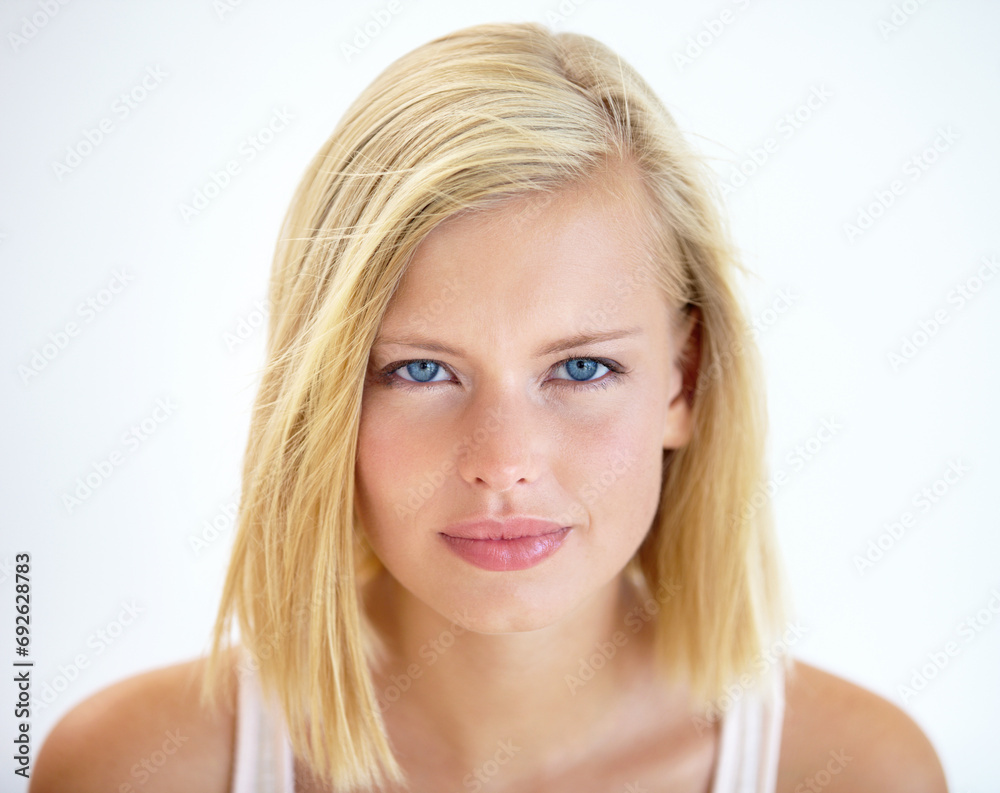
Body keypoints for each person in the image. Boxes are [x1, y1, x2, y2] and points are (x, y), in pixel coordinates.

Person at [30, 21, 947, 793]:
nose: (503, 460)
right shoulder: (129, 766)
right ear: (322, 399)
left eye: (582, 368)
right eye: (422, 371)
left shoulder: (855, 768)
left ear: (682, 379)